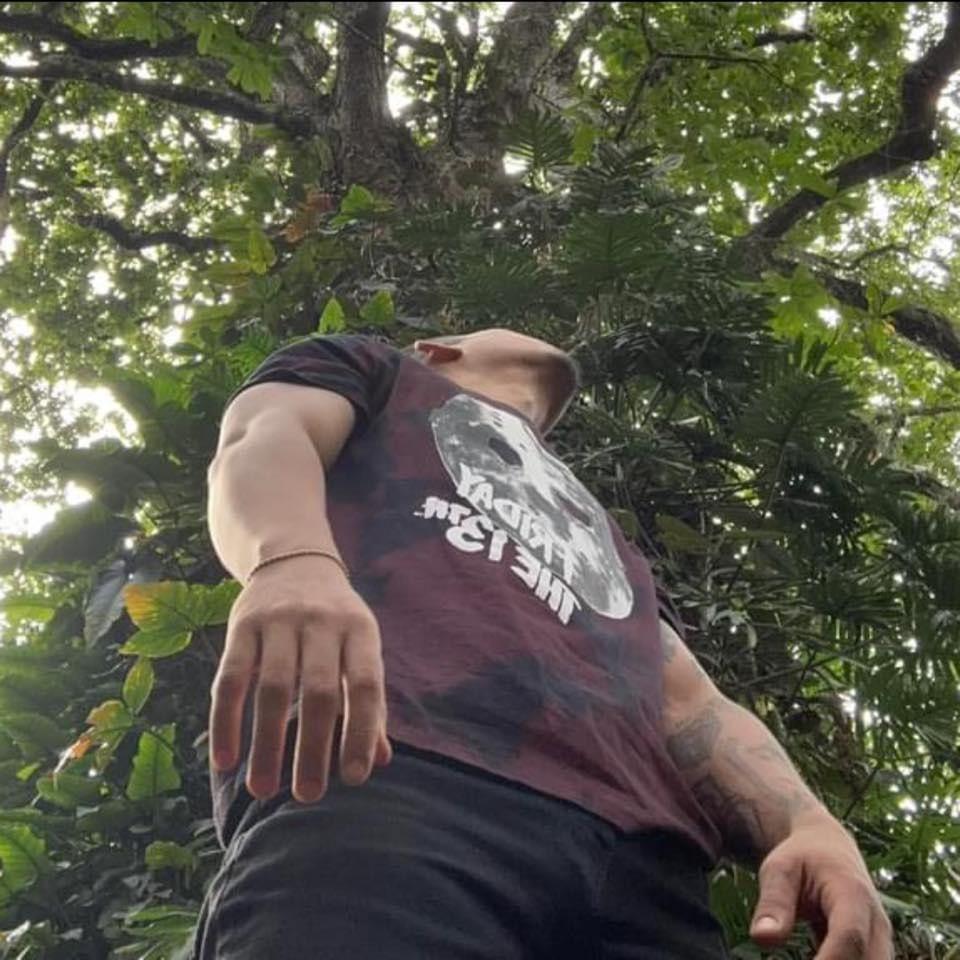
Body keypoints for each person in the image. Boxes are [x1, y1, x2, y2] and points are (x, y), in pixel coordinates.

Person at [192, 328, 891, 960]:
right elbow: (265, 431)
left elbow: (686, 700)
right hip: (389, 776)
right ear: (437, 347)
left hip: (647, 871)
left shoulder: (608, 540)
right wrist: (290, 558)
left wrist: (809, 825)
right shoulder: (382, 372)